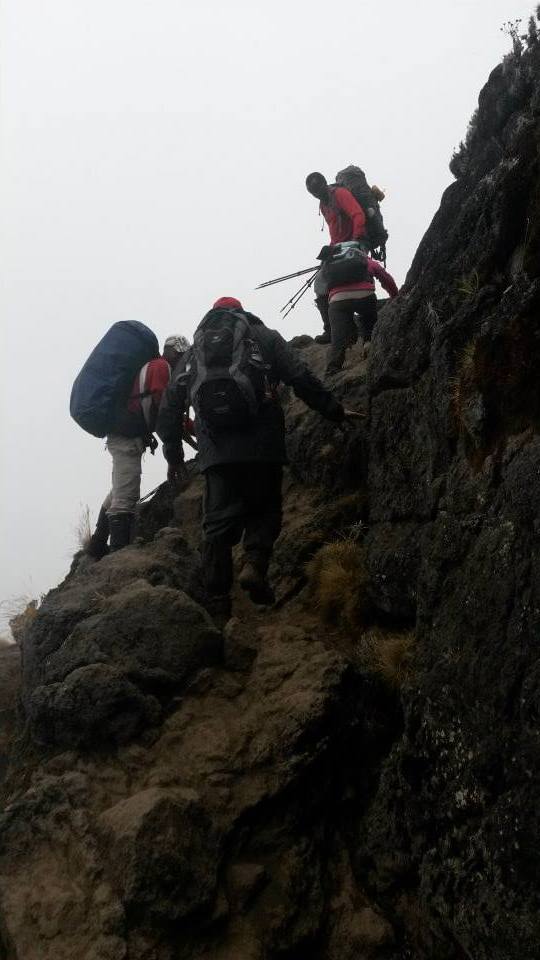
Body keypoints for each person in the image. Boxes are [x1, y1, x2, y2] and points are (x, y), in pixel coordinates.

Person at [157, 297, 362, 626]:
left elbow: (169, 406)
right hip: (263, 444)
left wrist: (173, 454)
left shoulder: (196, 351)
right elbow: (300, 376)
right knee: (265, 508)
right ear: (241, 312)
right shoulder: (262, 336)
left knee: (217, 528)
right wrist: (333, 410)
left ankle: (220, 606)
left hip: (216, 452)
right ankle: (254, 563)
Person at [86, 334, 191, 558]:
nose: (183, 362)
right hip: (126, 437)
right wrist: (181, 430)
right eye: (183, 356)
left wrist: (186, 427)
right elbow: (164, 407)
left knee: (120, 487)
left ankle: (97, 543)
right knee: (127, 495)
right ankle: (118, 554)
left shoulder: (152, 365)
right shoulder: (161, 366)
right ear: (177, 351)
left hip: (123, 433)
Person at [306, 171, 369, 343]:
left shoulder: (340, 194)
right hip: (339, 248)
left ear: (324, 184)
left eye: (317, 189)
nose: (316, 193)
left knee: (356, 278)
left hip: (355, 243)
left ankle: (351, 327)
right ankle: (332, 330)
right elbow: (335, 231)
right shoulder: (323, 204)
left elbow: (357, 214)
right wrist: (330, 250)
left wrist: (358, 240)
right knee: (320, 284)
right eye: (313, 192)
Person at [324, 252, 398, 376]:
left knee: (337, 334)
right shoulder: (366, 260)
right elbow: (386, 278)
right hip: (364, 294)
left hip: (338, 299)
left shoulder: (331, 262)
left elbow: (322, 288)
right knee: (368, 316)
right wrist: (395, 295)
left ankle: (333, 366)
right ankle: (368, 342)